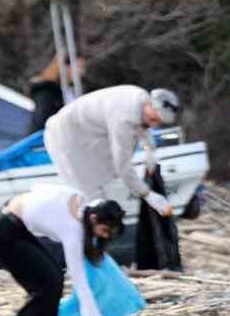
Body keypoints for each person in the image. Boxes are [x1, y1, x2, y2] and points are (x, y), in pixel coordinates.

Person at [0, 187, 123, 316]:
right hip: (2, 231)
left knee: (53, 278)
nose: (105, 236)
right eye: (104, 230)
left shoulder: (80, 201)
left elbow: (38, 188)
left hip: (11, 226)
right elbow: (79, 279)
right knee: (46, 284)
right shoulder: (73, 228)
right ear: (93, 218)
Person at [43, 85, 179, 218]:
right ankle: (83, 231)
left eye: (158, 122)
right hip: (64, 136)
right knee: (88, 194)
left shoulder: (140, 98)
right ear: (148, 103)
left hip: (89, 133)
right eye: (153, 119)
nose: (154, 125)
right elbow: (122, 166)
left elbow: (143, 125)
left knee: (106, 178)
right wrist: (147, 194)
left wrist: (150, 150)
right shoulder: (124, 118)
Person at [26, 55, 83, 134]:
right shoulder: (48, 91)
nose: (81, 71)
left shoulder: (70, 92)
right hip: (46, 140)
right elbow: (42, 121)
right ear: (65, 67)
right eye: (78, 67)